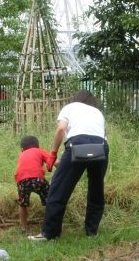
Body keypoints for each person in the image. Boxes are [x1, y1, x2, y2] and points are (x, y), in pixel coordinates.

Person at [29, 89, 109, 241]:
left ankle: (49, 234)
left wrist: (53, 153)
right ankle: (92, 232)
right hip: (101, 147)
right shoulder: (98, 112)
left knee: (59, 189)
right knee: (96, 191)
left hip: (77, 145)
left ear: (75, 99)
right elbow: (103, 136)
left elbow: (61, 129)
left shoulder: (70, 107)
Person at [15, 135, 51, 233]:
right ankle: (49, 224)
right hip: (38, 179)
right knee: (50, 200)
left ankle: (23, 227)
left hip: (22, 180)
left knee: (22, 204)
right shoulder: (39, 150)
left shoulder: (22, 154)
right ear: (37, 145)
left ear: (22, 149)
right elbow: (52, 162)